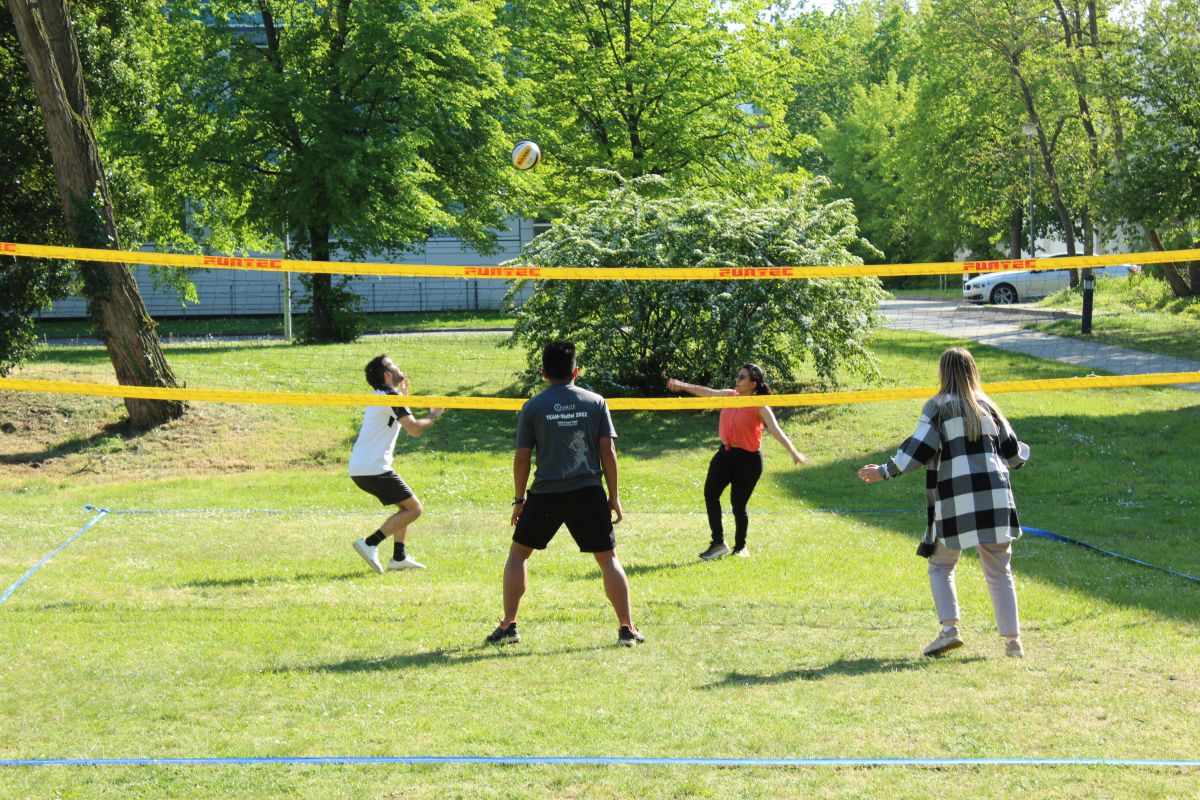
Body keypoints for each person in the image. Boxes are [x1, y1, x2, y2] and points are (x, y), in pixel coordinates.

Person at [856, 347, 1030, 658]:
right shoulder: (989, 406)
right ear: (973, 371)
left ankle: (950, 630)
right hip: (996, 498)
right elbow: (1015, 454)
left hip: (956, 499)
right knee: (1000, 570)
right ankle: (1013, 643)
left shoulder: (937, 407)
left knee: (940, 565)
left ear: (942, 373)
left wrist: (884, 471)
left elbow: (918, 450)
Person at [486, 340, 644, 647]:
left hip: (546, 494)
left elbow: (521, 458)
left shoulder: (532, 406)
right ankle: (627, 628)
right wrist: (614, 495)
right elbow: (607, 451)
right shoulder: (595, 401)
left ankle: (509, 626)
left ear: (544, 373)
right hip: (588, 491)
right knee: (608, 559)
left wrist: (519, 500)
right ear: (576, 371)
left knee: (518, 555)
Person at [666, 364, 809, 560]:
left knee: (738, 505)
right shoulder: (729, 396)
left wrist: (793, 452)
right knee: (710, 493)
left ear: (753, 384)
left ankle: (740, 546)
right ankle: (718, 543)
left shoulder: (760, 406)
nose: (738, 379)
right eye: (738, 375)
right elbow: (706, 392)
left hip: (748, 461)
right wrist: (682, 385)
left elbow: (776, 431)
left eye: (742, 377)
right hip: (725, 455)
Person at [349, 354, 444, 573]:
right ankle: (370, 542)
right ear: (388, 374)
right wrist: (433, 415)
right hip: (373, 468)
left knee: (404, 507)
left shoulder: (383, 396)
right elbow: (414, 429)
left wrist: (404, 397)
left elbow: (398, 419)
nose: (399, 365)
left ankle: (399, 557)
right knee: (414, 509)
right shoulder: (390, 396)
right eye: (394, 364)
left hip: (362, 467)